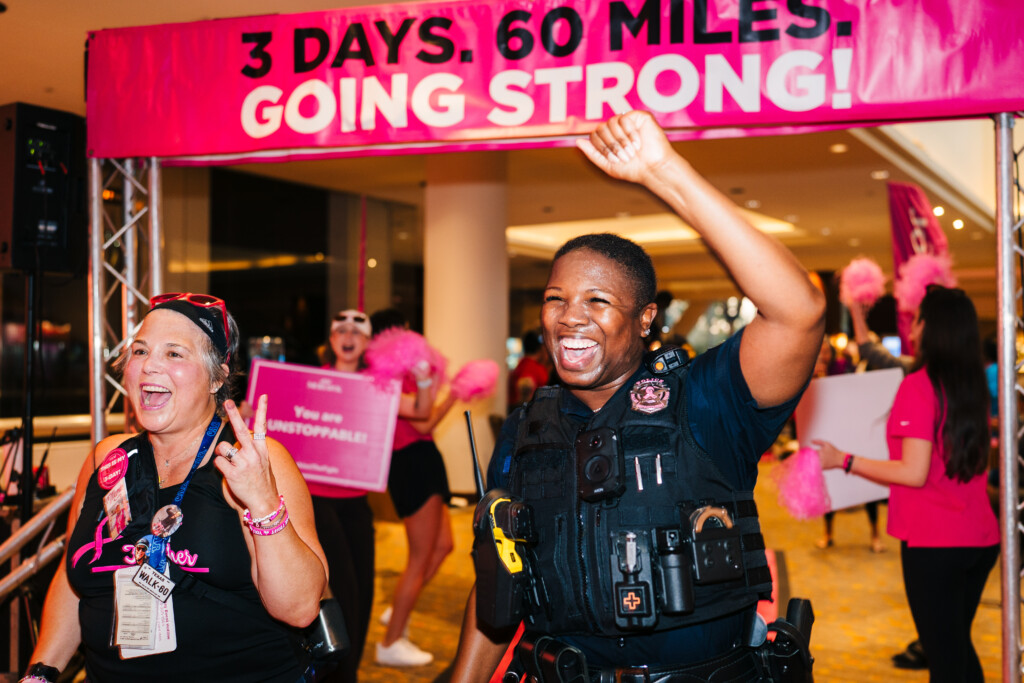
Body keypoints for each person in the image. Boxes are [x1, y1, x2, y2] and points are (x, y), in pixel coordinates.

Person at [449, 110, 825, 682]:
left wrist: (663, 171)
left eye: (597, 301)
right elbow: (498, 578)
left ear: (645, 318)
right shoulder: (527, 429)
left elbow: (799, 312)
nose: (570, 318)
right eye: (556, 299)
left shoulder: (704, 402)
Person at [24, 292, 327, 683]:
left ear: (218, 376)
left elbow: (301, 607)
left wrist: (264, 501)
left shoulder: (251, 461)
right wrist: (40, 673)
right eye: (139, 351)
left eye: (174, 354)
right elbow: (75, 579)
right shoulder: (107, 458)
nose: (150, 366)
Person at [815, 286, 999, 683]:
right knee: (957, 647)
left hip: (935, 542)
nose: (911, 328)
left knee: (945, 656)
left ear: (930, 327)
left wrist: (843, 460)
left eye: (916, 319)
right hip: (980, 537)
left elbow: (913, 472)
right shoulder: (972, 388)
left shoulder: (919, 386)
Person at [368, 308, 457, 668]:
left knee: (444, 545)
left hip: (421, 458)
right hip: (411, 460)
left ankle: (397, 611)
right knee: (419, 557)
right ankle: (390, 642)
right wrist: (456, 394)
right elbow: (423, 422)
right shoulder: (384, 374)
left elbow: (424, 419)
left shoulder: (402, 371)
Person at [811, 337, 884, 553]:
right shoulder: (810, 374)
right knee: (829, 486)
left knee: (867, 484)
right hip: (827, 436)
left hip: (853, 434)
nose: (823, 354)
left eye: (826, 351)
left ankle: (875, 534)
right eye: (820, 351)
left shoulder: (844, 368)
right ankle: (828, 533)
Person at [507, 328, 550, 411]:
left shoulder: (519, 367)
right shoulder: (538, 370)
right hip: (533, 414)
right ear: (540, 348)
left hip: (515, 413)